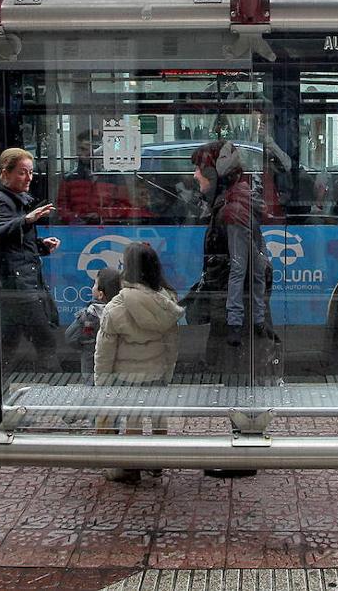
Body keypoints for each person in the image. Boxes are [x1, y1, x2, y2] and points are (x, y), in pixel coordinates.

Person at [190, 140, 278, 479]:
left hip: (236, 309)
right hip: (237, 306)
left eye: (201, 169)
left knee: (241, 376)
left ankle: (243, 453)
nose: (196, 175)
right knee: (241, 377)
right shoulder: (235, 200)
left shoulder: (232, 209)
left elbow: (243, 268)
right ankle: (243, 447)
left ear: (216, 173)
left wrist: (238, 321)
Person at [93, 242, 184, 484]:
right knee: (156, 416)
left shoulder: (116, 307)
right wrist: (167, 372)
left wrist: (101, 380)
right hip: (155, 373)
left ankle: (131, 465)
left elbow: (105, 351)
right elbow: (171, 345)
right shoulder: (167, 302)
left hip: (125, 377)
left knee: (132, 418)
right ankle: (157, 461)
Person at [0, 147, 61, 382]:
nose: (29, 178)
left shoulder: (16, 199)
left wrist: (41, 246)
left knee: (10, 344)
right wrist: (27, 220)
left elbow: (17, 244)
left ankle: (0, 388)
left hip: (21, 280)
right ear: (4, 173)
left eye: (31, 173)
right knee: (46, 341)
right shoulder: (0, 200)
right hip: (19, 285)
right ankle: (63, 407)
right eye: (22, 172)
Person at [65, 267, 122, 385]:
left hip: (91, 366)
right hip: (119, 368)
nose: (92, 287)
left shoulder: (89, 315)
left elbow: (70, 337)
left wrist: (85, 346)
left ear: (100, 294)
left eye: (94, 284)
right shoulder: (122, 312)